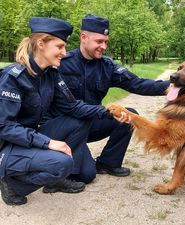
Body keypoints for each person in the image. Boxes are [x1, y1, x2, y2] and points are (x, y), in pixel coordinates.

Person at [0, 17, 115, 206]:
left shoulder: (50, 74)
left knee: (81, 127)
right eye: (59, 46)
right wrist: (48, 143)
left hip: (29, 137)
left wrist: (107, 111)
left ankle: (55, 178)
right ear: (41, 44)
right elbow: (5, 127)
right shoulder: (12, 77)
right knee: (62, 164)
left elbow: (73, 107)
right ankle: (11, 182)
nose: (64, 52)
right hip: (9, 145)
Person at [57, 14, 170, 177]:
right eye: (99, 41)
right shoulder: (62, 63)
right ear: (83, 37)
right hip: (69, 129)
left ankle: (108, 163)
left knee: (128, 114)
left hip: (93, 122)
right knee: (83, 175)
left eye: (106, 42)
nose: (103, 46)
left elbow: (137, 84)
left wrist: (172, 85)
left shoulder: (107, 66)